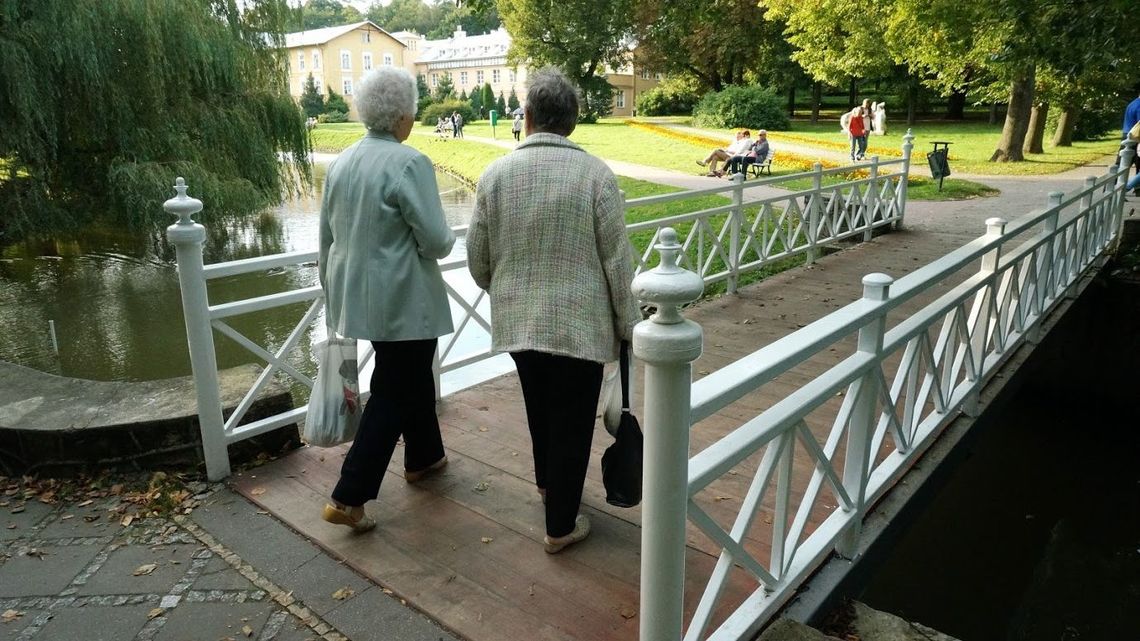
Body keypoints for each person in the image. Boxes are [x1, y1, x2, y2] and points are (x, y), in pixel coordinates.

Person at [466, 68, 640, 554]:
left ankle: (549, 487)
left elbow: (478, 261)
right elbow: (617, 261)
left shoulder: (495, 175)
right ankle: (560, 525)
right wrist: (630, 325)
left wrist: (506, 288)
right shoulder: (595, 175)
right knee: (572, 421)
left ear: (526, 117)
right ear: (573, 122)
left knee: (540, 409)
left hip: (520, 322)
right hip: (580, 323)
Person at [317, 67, 457, 533]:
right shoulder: (408, 163)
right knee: (397, 386)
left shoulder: (341, 162)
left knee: (409, 374)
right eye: (412, 110)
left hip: (356, 295)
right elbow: (437, 241)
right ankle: (348, 495)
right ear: (403, 116)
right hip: (403, 298)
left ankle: (424, 457)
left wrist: (330, 291)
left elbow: (326, 239)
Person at [1122, 90, 1140, 188]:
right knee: (1126, 162)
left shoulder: (1133, 103)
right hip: (1135, 136)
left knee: (1124, 163)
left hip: (1127, 133)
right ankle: (1123, 187)